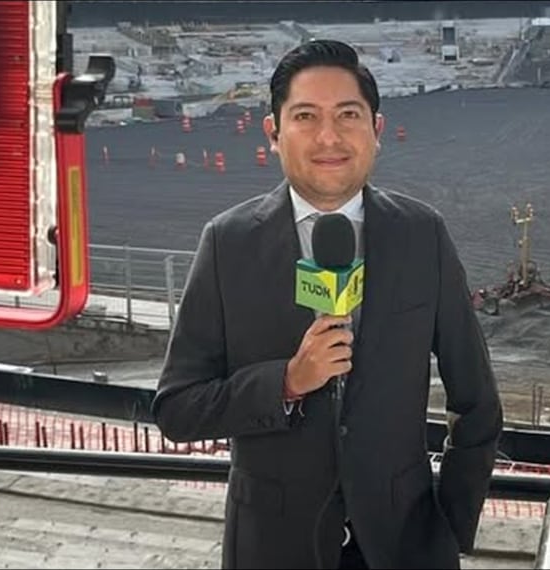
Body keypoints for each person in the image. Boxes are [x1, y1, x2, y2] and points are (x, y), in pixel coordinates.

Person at [152, 39, 503, 570]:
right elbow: (177, 408)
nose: (329, 136)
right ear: (273, 133)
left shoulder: (422, 236)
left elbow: (476, 402)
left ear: (376, 130)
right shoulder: (227, 244)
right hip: (272, 548)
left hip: (406, 546)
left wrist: (451, 528)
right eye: (306, 116)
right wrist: (287, 381)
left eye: (347, 115)